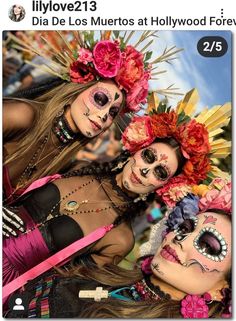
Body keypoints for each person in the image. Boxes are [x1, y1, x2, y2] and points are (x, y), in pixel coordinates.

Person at [2, 94, 230, 287]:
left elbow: (58, 288)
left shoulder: (120, 238)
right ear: (136, 150)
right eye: (148, 157)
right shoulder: (81, 167)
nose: (144, 170)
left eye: (160, 172)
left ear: (166, 185)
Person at [4, 180, 232, 318]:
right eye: (185, 227)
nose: (182, 239)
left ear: (222, 288)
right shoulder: (109, 275)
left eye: (208, 245)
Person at [4, 30, 160, 204]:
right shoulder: (24, 115)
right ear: (74, 92)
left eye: (112, 113)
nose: (103, 116)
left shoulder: (67, 159)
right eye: (100, 99)